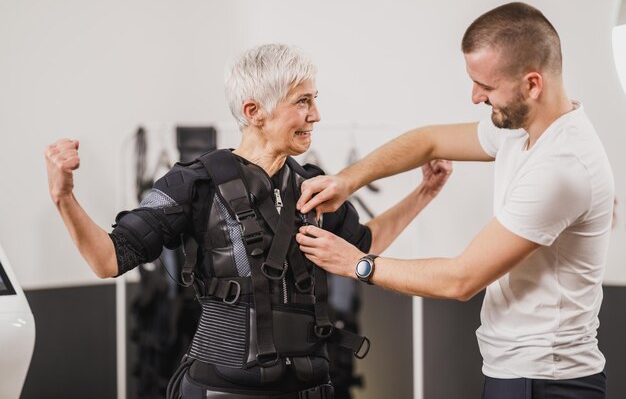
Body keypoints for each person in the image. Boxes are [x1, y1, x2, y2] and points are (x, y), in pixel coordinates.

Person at [44, 43, 452, 399]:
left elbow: (365, 245)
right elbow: (107, 260)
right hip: (224, 388)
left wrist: (425, 193)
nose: (317, 115)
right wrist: (64, 198)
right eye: (303, 101)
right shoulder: (193, 183)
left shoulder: (314, 185)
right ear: (254, 111)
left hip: (309, 386)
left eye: (315, 99)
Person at [295, 2, 613, 399]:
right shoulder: (522, 130)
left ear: (532, 85)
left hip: (546, 381)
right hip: (516, 371)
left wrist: (355, 264)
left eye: (487, 86)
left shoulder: (562, 168)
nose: (475, 96)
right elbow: (428, 139)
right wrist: (347, 179)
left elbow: (461, 279)